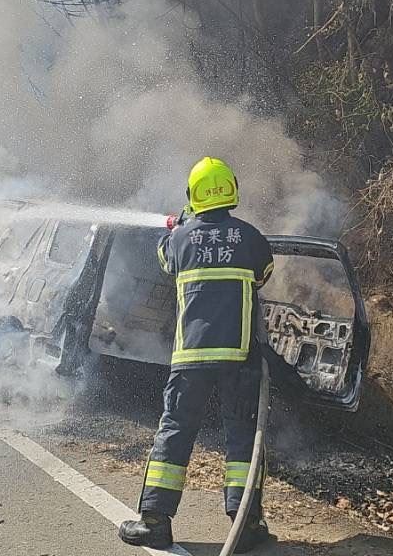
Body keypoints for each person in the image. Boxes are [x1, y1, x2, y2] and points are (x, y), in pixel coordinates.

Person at [118, 157, 275, 551]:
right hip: (239, 356)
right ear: (232, 189)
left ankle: (155, 520)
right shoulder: (251, 237)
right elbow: (264, 273)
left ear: (193, 196)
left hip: (190, 357)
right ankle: (246, 525)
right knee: (242, 436)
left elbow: (164, 260)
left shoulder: (180, 239)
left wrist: (180, 224)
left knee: (175, 431)